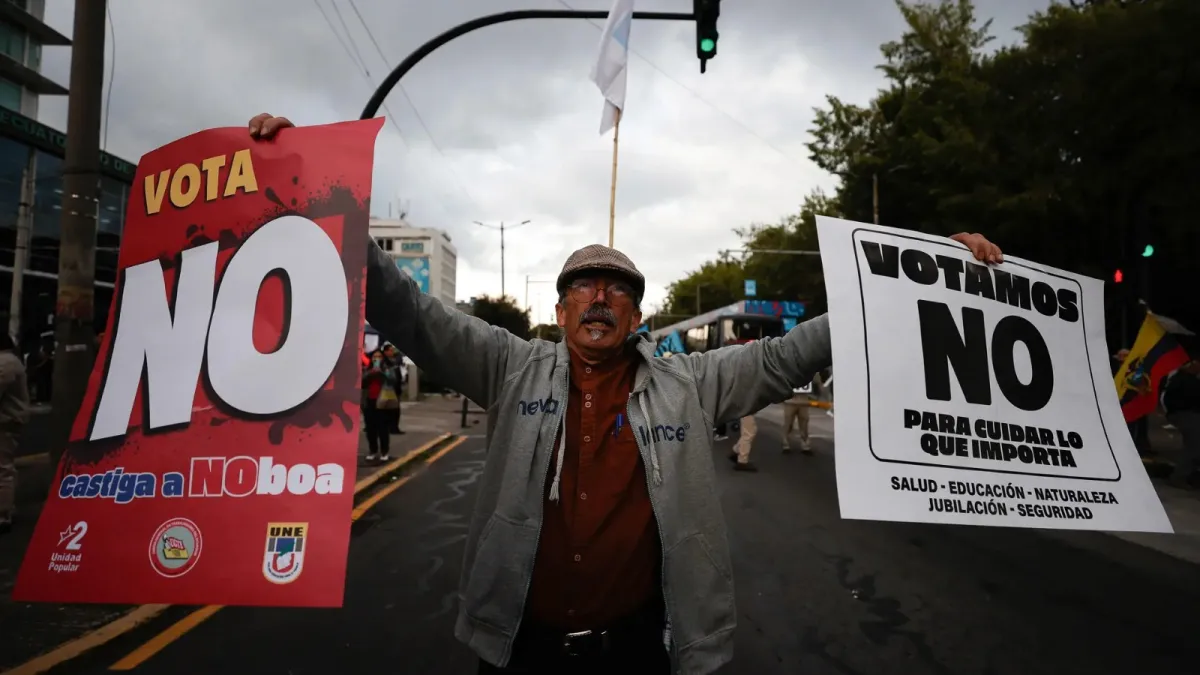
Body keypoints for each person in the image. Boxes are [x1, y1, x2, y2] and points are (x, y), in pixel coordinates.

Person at [249, 113, 1004, 675]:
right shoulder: (511, 367)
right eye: (583, 286)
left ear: (637, 315)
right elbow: (412, 312)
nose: (600, 297)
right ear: (560, 311)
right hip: (518, 650)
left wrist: (914, 273)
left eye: (617, 289)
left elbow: (789, 354)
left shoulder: (689, 383)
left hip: (639, 653)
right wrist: (315, 191)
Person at [0, 331, 30, 535]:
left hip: (6, 421)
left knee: (3, 468)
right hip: (9, 420)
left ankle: (3, 514)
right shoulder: (10, 361)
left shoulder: (5, 363)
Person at [1161, 359, 1200, 488]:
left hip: (1187, 413)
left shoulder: (1189, 379)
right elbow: (1170, 399)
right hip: (1184, 414)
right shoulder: (1181, 379)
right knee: (1194, 445)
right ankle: (1179, 477)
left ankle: (1189, 474)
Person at [361, 348, 396, 462]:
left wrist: (382, 373)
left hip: (383, 401)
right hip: (369, 401)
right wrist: (371, 374)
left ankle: (384, 451)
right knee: (370, 429)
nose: (377, 359)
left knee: (383, 428)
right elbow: (361, 382)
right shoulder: (367, 369)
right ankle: (372, 450)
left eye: (379, 357)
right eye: (375, 357)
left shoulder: (387, 368)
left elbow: (393, 380)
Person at [781, 372, 825, 455]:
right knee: (788, 423)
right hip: (790, 401)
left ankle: (805, 444)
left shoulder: (809, 369)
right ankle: (786, 443)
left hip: (803, 401)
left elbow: (818, 382)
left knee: (804, 422)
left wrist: (821, 394)